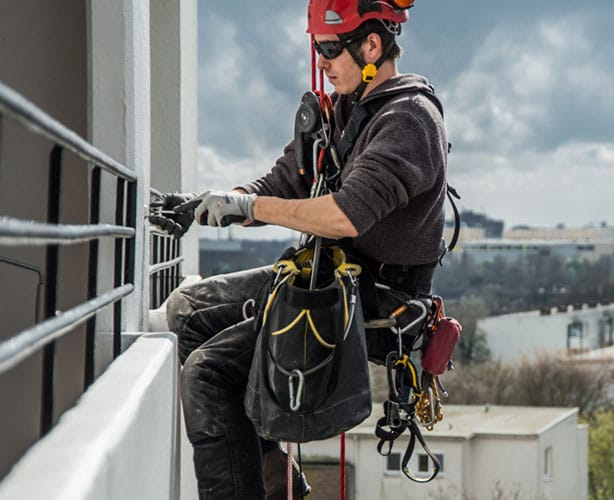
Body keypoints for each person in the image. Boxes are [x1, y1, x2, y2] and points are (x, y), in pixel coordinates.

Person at [150, 0, 449, 497]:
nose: (323, 60)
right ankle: (274, 476)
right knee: (186, 311)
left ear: (372, 45)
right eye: (318, 48)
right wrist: (211, 204)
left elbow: (344, 214)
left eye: (330, 48)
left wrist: (247, 209)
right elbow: (284, 181)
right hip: (329, 279)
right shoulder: (344, 110)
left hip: (374, 300)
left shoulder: (409, 120)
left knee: (208, 372)